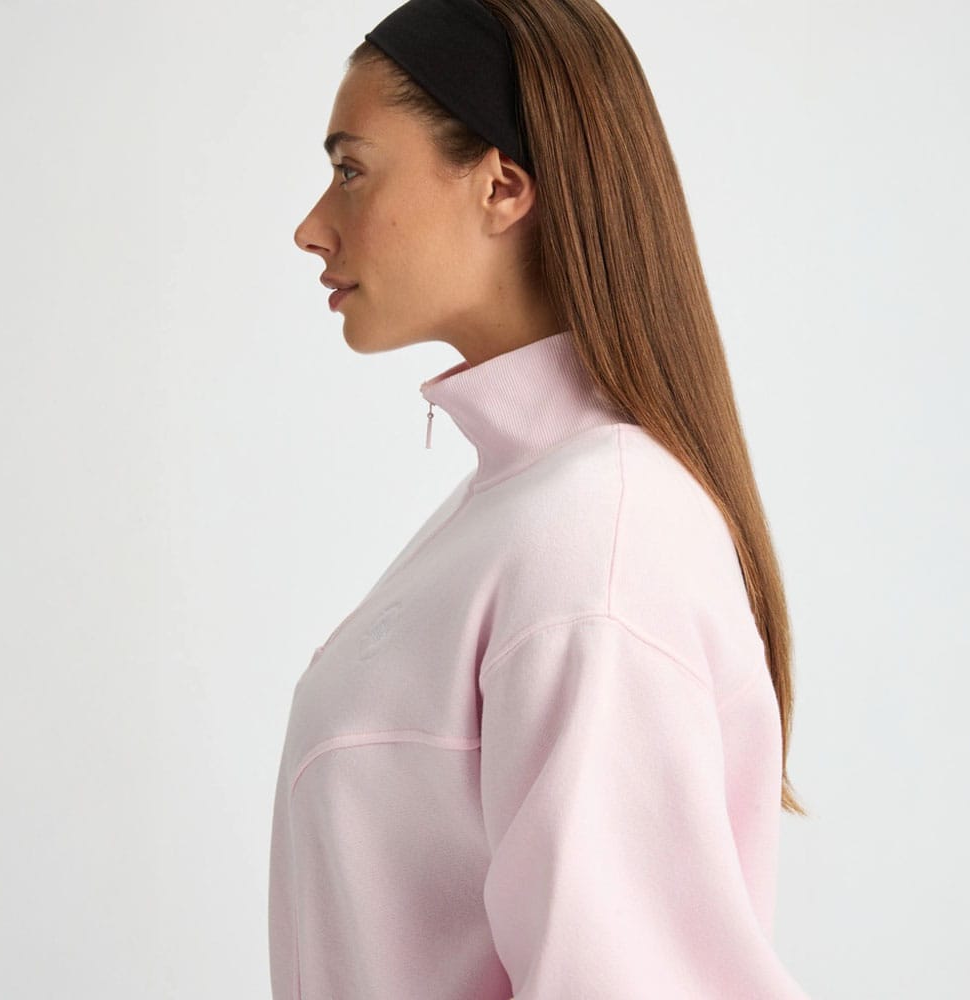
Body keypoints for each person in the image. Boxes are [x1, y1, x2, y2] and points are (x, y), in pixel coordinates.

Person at [272, 0, 812, 997]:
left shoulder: (594, 541)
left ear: (502, 185)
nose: (311, 227)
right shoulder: (526, 512)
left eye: (351, 170)